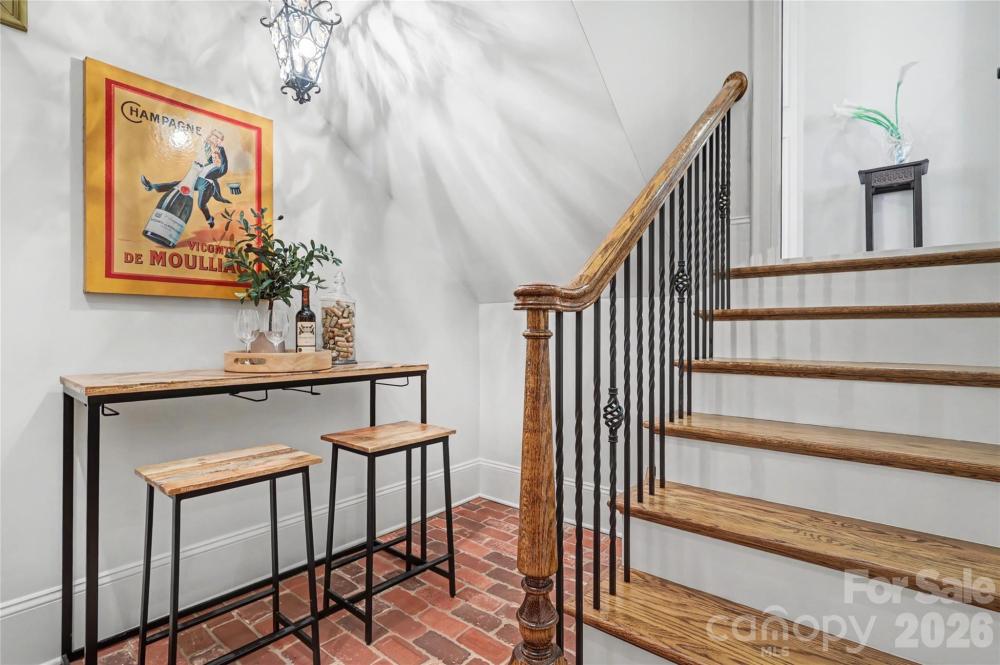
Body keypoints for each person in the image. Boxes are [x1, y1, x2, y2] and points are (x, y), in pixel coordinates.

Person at [140, 129, 231, 228]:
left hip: (207, 186)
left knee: (201, 205)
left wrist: (221, 150)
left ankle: (209, 219)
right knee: (176, 184)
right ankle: (152, 186)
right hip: (198, 180)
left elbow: (224, 169)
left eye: (217, 158)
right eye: (214, 138)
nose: (215, 158)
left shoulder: (217, 169)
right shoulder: (207, 161)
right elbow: (207, 150)